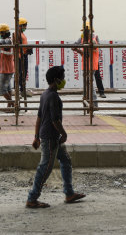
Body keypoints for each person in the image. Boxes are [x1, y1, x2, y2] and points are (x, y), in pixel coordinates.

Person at [26, 66, 86, 209]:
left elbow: (39, 117)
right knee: (45, 167)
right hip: (51, 138)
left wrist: (36, 136)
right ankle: (32, 198)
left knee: (65, 160)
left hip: (49, 136)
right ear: (56, 79)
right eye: (62, 77)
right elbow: (54, 120)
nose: (64, 80)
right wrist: (64, 134)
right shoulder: (52, 96)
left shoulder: (45, 94)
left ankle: (69, 193)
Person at [72, 21, 106, 98]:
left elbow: (97, 47)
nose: (85, 32)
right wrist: (80, 51)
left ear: (91, 30)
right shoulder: (82, 37)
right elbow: (74, 46)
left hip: (93, 61)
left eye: (87, 30)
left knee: (95, 78)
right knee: (87, 81)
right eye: (85, 30)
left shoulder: (95, 37)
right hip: (86, 62)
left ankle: (100, 92)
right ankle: (87, 97)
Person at [0, 23, 14, 109]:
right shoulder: (7, 42)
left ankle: (12, 103)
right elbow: (3, 58)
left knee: (1, 90)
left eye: (0, 33)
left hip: (6, 70)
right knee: (8, 88)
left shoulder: (8, 41)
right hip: (6, 68)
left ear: (4, 33)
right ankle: (10, 106)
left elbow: (1, 42)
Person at [13, 17, 33, 97]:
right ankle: (16, 90)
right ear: (20, 26)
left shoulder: (22, 34)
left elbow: (23, 45)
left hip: (24, 55)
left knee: (24, 74)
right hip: (19, 57)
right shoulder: (16, 34)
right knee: (19, 74)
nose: (25, 27)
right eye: (24, 25)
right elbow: (16, 46)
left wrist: (28, 49)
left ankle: (22, 90)